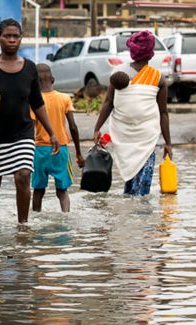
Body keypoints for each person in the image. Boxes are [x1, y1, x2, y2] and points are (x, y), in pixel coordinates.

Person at [0, 19, 59, 223]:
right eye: (7, 36)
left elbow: (37, 103)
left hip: (23, 133)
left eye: (15, 36)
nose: (11, 40)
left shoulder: (29, 68)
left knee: (23, 176)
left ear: (21, 39)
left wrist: (52, 132)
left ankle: (23, 226)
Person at [92, 30, 173, 197]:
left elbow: (108, 103)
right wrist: (168, 143)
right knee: (141, 190)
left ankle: (131, 217)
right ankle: (140, 218)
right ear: (151, 54)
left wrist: (97, 128)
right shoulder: (158, 78)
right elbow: (163, 113)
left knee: (130, 185)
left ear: (131, 51)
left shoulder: (119, 73)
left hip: (127, 136)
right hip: (146, 138)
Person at [30, 63, 84, 213]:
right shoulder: (64, 98)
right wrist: (79, 153)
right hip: (60, 149)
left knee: (38, 191)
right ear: (53, 79)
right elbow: (73, 127)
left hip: (40, 150)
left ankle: (35, 219)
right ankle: (66, 216)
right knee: (62, 191)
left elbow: (28, 129)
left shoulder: (33, 102)